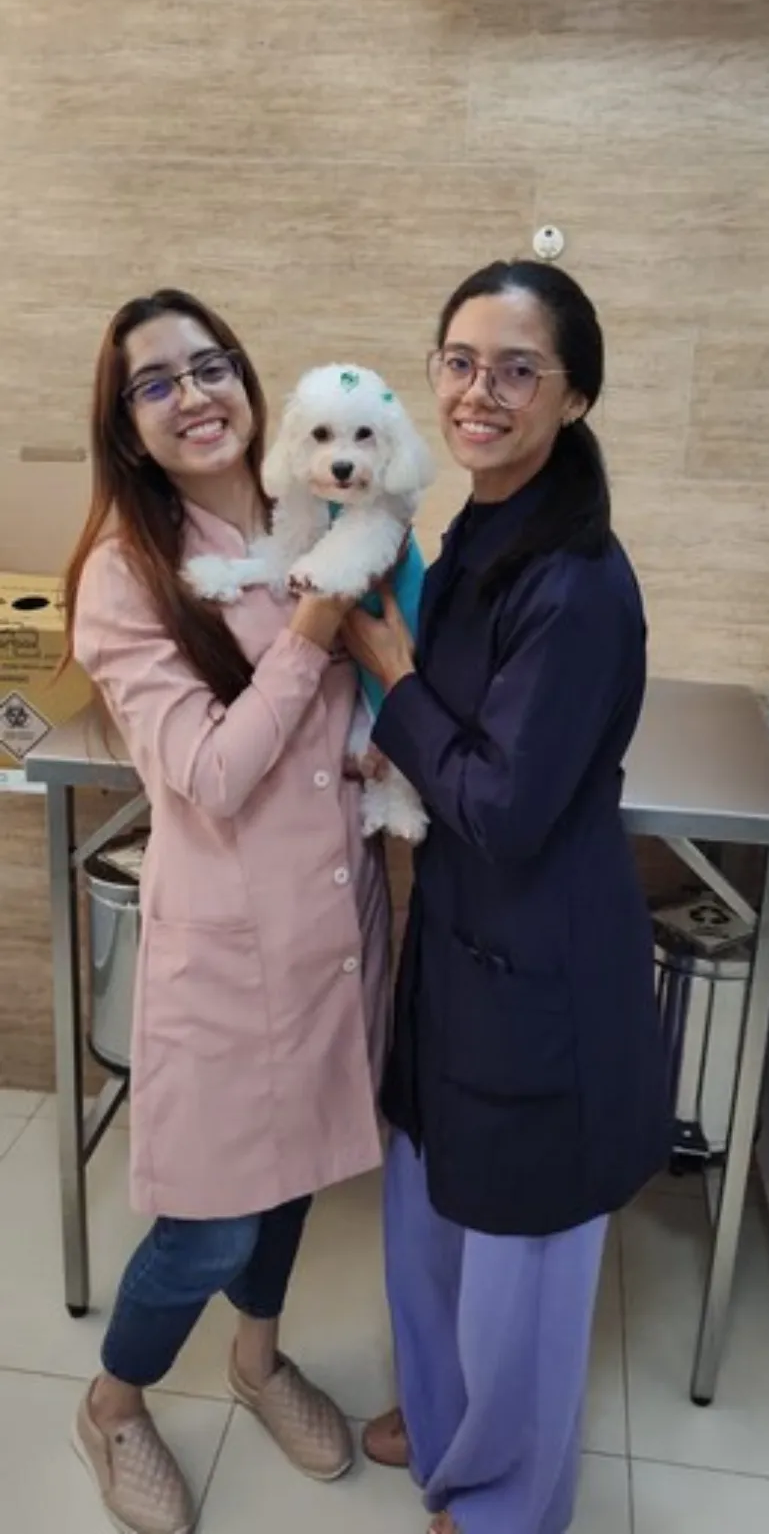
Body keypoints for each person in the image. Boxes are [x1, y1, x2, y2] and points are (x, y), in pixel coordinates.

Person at [342, 260, 670, 1534]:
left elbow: (500, 803)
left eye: (517, 369)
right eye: (460, 361)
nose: (480, 391)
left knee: (519, 1266)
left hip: (540, 967)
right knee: (430, 1218)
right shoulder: (478, 525)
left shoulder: (575, 582)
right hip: (460, 946)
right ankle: (442, 1421)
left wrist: (389, 673)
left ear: (572, 395)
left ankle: (500, 1501)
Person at [63, 289, 391, 1534]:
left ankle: (256, 1360)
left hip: (336, 924)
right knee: (206, 1229)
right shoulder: (124, 577)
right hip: (229, 951)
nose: (192, 395)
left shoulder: (318, 509)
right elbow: (206, 772)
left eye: (209, 366)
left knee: (298, 1176)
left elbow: (355, 709)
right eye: (155, 384)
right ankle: (112, 1403)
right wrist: (314, 622)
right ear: (128, 427)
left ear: (249, 383)